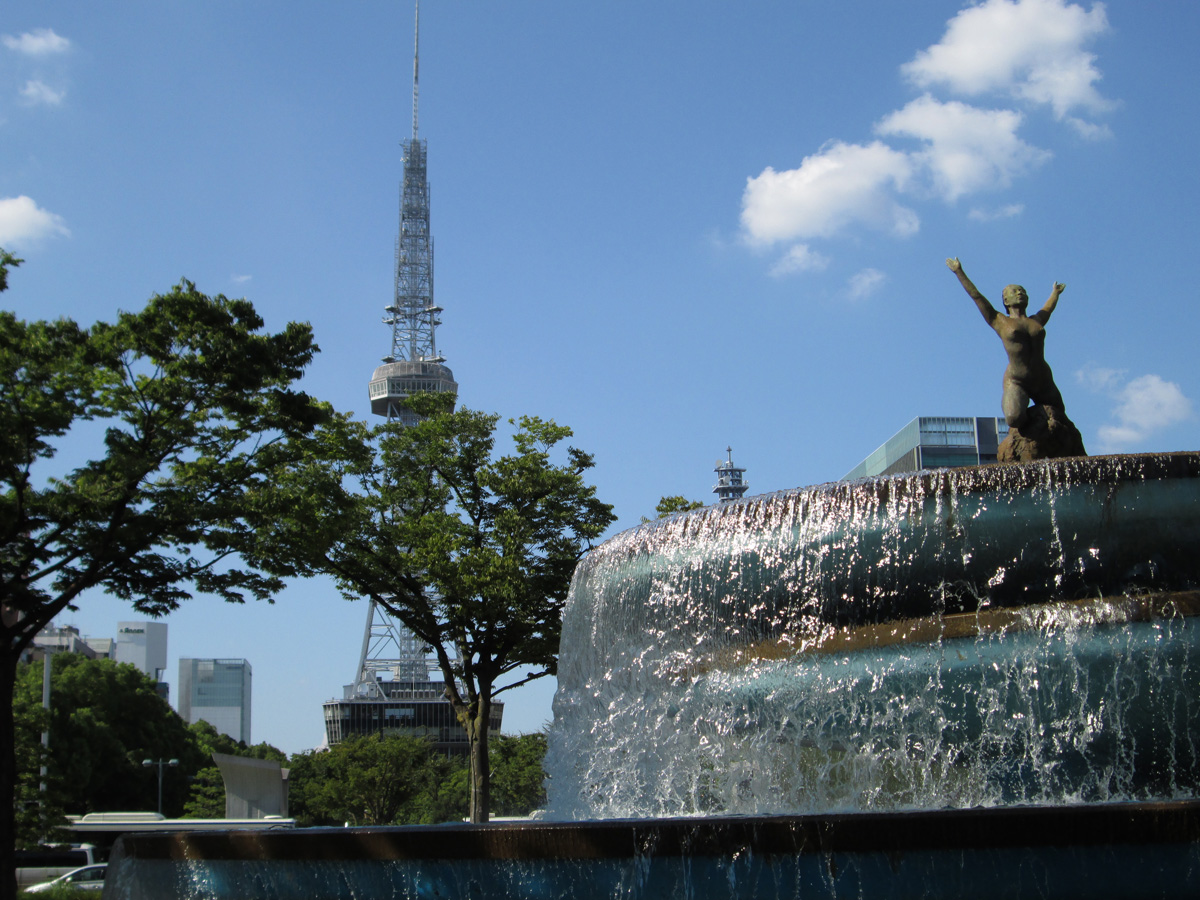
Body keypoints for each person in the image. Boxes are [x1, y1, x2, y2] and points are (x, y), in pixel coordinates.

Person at [946, 257, 1066, 429]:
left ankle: (1040, 423)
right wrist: (959, 272)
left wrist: (1055, 293)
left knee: (1060, 415)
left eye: (1023, 291)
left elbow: (1048, 308)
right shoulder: (999, 320)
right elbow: (976, 296)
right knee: (1014, 418)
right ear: (1006, 301)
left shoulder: (1036, 320)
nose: (1020, 293)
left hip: (1043, 378)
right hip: (1017, 379)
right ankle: (1027, 429)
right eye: (1015, 291)